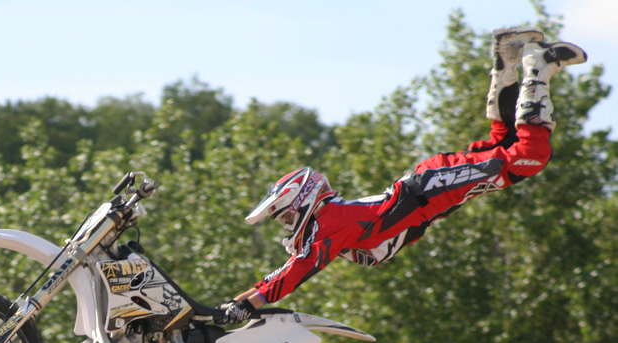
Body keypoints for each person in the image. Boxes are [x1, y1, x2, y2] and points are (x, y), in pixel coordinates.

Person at [216, 27, 587, 325]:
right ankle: (506, 57)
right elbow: (287, 269)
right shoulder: (330, 224)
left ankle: (539, 65)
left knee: (527, 157)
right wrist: (234, 304)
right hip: (429, 188)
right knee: (503, 143)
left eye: (286, 215)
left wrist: (245, 305)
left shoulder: (329, 223)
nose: (287, 225)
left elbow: (296, 271)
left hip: (430, 190)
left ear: (304, 201)